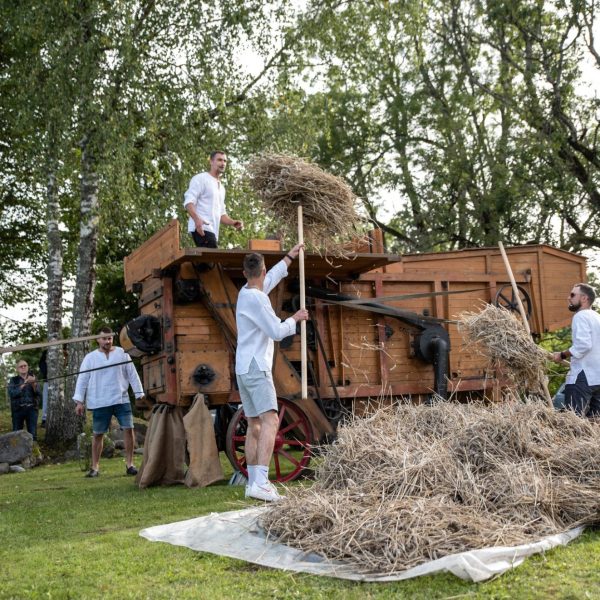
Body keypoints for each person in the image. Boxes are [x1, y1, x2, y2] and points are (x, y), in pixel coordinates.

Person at [235, 244, 308, 502]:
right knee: (271, 421)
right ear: (262, 270)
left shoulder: (245, 293)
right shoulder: (258, 299)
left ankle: (253, 483)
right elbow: (277, 332)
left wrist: (289, 257)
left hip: (243, 368)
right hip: (257, 367)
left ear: (246, 273)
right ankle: (263, 482)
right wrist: (296, 318)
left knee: (254, 424)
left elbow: (270, 280)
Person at [73, 326, 145, 478]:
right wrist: (79, 401)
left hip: (121, 398)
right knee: (98, 434)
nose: (107, 341)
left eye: (110, 338)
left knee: (128, 429)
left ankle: (130, 465)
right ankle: (95, 467)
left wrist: (139, 393)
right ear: (98, 340)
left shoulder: (122, 353)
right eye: (104, 338)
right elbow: (82, 379)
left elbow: (132, 374)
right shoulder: (90, 358)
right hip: (99, 400)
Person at [552, 283, 600, 418]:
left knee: (573, 421)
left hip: (583, 376)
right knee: (595, 421)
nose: (569, 297)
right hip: (597, 377)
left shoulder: (580, 316)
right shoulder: (597, 317)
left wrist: (562, 355)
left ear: (584, 298)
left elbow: (583, 345)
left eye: (573, 295)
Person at [183, 150, 243, 248]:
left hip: (213, 232)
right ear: (211, 161)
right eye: (219, 160)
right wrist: (197, 220)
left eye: (225, 161)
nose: (223, 163)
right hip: (202, 228)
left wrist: (233, 222)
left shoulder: (222, 188)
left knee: (211, 257)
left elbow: (221, 214)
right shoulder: (201, 178)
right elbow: (189, 202)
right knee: (214, 256)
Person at [8, 359, 41, 441]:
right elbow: (12, 394)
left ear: (28, 367)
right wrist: (25, 383)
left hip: (32, 409)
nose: (23, 367)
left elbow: (38, 393)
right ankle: (17, 449)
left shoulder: (34, 378)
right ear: (17, 369)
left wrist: (33, 384)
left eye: (25, 365)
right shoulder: (13, 380)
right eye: (21, 366)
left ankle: (33, 449)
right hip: (17, 409)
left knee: (33, 434)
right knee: (16, 434)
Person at [38, 350, 48, 427]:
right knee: (45, 401)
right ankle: (44, 419)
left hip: (59, 382)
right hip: (47, 382)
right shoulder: (43, 362)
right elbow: (41, 364)